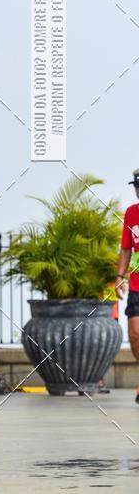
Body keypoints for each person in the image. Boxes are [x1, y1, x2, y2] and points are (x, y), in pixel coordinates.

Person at [114, 167, 139, 404]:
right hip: (136, 285)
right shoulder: (131, 213)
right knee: (134, 333)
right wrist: (119, 276)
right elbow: (125, 248)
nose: (138, 190)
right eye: (136, 186)